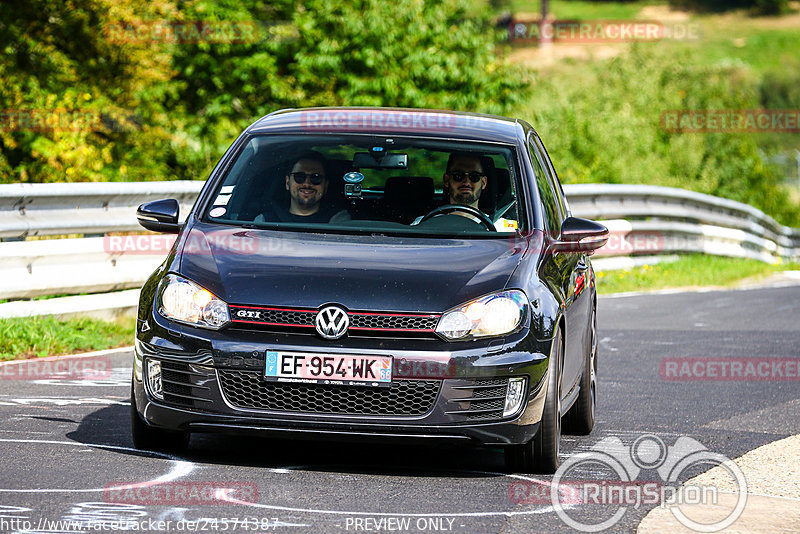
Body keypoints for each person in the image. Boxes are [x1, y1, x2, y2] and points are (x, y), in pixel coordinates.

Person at [259, 151, 348, 224]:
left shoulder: (338, 222)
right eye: (299, 177)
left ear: (325, 186)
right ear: (287, 182)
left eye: (315, 178)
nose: (307, 183)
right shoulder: (264, 221)